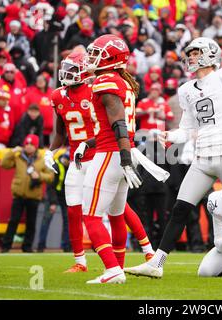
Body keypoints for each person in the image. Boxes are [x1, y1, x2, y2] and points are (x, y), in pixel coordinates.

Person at [125, 37, 222, 281]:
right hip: (203, 156)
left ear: (209, 53)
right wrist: (170, 134)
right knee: (180, 209)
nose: (190, 57)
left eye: (195, 52)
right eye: (189, 53)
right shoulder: (186, 90)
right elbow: (187, 128)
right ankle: (157, 263)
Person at [46, 50, 154, 273]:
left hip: (100, 154)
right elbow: (60, 132)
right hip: (78, 157)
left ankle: (144, 252)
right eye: (65, 70)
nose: (66, 74)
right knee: (76, 210)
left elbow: (114, 123)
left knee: (117, 210)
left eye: (72, 70)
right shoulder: (58, 95)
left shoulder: (98, 87)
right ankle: (81, 261)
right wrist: (50, 151)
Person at [74, 35, 144, 284]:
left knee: (90, 215)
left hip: (111, 154)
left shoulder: (105, 80)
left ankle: (112, 269)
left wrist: (123, 157)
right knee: (115, 214)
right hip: (120, 152)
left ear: (111, 58)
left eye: (96, 53)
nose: (91, 58)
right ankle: (118, 269)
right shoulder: (122, 81)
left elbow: (118, 123)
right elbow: (113, 124)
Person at [0, 134, 54, 253]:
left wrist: (39, 176)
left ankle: (27, 247)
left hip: (33, 195)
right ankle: (6, 246)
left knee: (31, 223)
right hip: (19, 194)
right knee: (13, 221)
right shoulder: (18, 156)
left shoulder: (42, 158)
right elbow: (3, 164)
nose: (28, 147)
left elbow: (50, 176)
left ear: (36, 146)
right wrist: (12, 151)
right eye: (27, 144)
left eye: (31, 144)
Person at [38, 152, 71, 253]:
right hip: (54, 196)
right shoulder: (55, 166)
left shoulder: (71, 167)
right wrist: (53, 202)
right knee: (46, 220)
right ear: (65, 159)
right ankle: (41, 246)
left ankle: (66, 246)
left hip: (65, 197)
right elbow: (50, 187)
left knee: (68, 222)